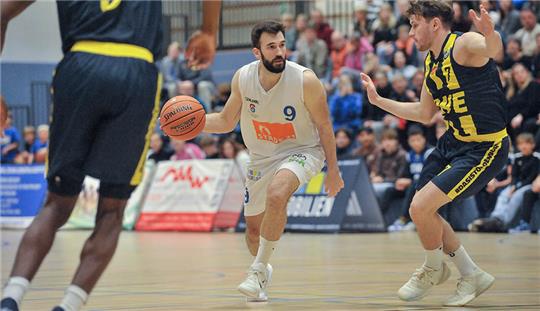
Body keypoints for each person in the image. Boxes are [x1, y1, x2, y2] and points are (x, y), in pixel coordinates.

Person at [0, 1, 221, 311]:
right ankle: (67, 306)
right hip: (136, 70)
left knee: (56, 204)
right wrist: (209, 31)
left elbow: (2, 12)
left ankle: (10, 299)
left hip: (80, 66)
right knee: (112, 210)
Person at [361, 1, 508, 306]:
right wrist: (379, 101)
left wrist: (491, 34)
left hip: (485, 147)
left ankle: (433, 267)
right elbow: (424, 113)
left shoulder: (463, 44)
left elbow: (491, 48)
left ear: (435, 24)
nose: (410, 32)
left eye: (415, 25)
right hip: (452, 143)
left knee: (422, 206)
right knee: (421, 210)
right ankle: (471, 274)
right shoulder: (431, 63)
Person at [202, 21, 344, 302]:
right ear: (257, 52)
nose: (279, 52)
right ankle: (262, 271)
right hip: (261, 157)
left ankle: (256, 272)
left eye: (282, 45)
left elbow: (325, 127)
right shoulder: (243, 78)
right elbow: (225, 120)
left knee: (277, 193)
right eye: (271, 47)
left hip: (303, 150)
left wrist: (333, 170)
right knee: (253, 231)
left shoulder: (305, 80)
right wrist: (193, 125)